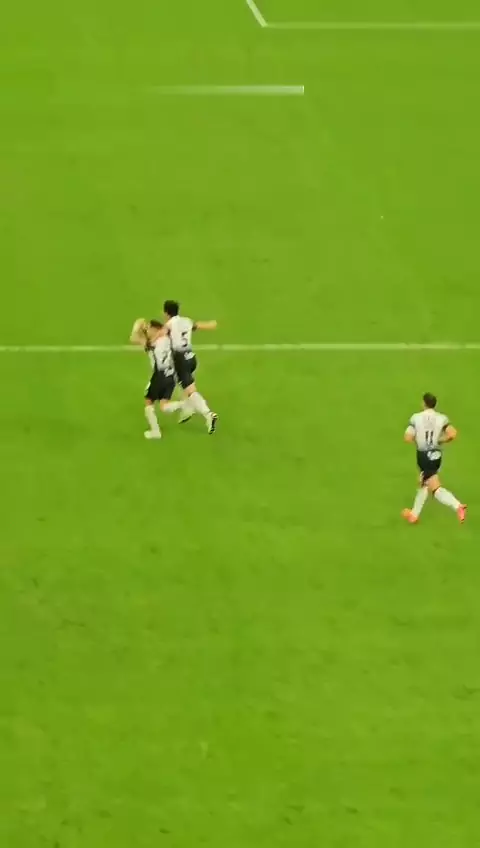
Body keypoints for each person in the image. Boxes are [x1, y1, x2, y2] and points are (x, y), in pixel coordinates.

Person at [402, 392, 466, 524]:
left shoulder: (416, 417)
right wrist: (440, 441)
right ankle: (414, 515)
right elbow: (452, 434)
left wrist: (418, 440)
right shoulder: (442, 418)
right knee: (425, 483)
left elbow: (407, 437)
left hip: (424, 456)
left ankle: (457, 506)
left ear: (423, 403)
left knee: (433, 487)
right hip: (436, 455)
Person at [163, 299, 218, 434]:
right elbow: (198, 326)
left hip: (180, 360)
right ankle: (187, 410)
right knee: (185, 386)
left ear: (166, 313)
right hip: (191, 357)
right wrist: (211, 324)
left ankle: (208, 414)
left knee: (190, 390)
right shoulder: (186, 321)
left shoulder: (169, 325)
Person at [130, 318, 186, 440]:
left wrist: (137, 327)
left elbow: (134, 338)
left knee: (148, 402)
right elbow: (167, 330)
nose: (148, 330)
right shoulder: (167, 339)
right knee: (164, 406)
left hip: (160, 375)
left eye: (150, 328)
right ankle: (185, 405)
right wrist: (154, 330)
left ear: (156, 330)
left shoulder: (151, 344)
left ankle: (156, 431)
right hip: (170, 375)